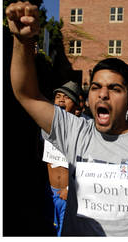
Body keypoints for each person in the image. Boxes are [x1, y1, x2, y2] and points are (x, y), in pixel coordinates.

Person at [6, 1, 128, 236]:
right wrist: (22, 41)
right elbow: (26, 94)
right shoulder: (76, 132)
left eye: (114, 88)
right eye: (96, 87)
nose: (103, 94)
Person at [42, 81, 81, 236]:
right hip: (50, 192)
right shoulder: (45, 126)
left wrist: (69, 190)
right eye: (58, 96)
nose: (61, 100)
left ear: (76, 103)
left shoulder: (80, 129)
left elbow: (85, 164)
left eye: (66, 97)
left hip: (67, 194)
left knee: (64, 234)